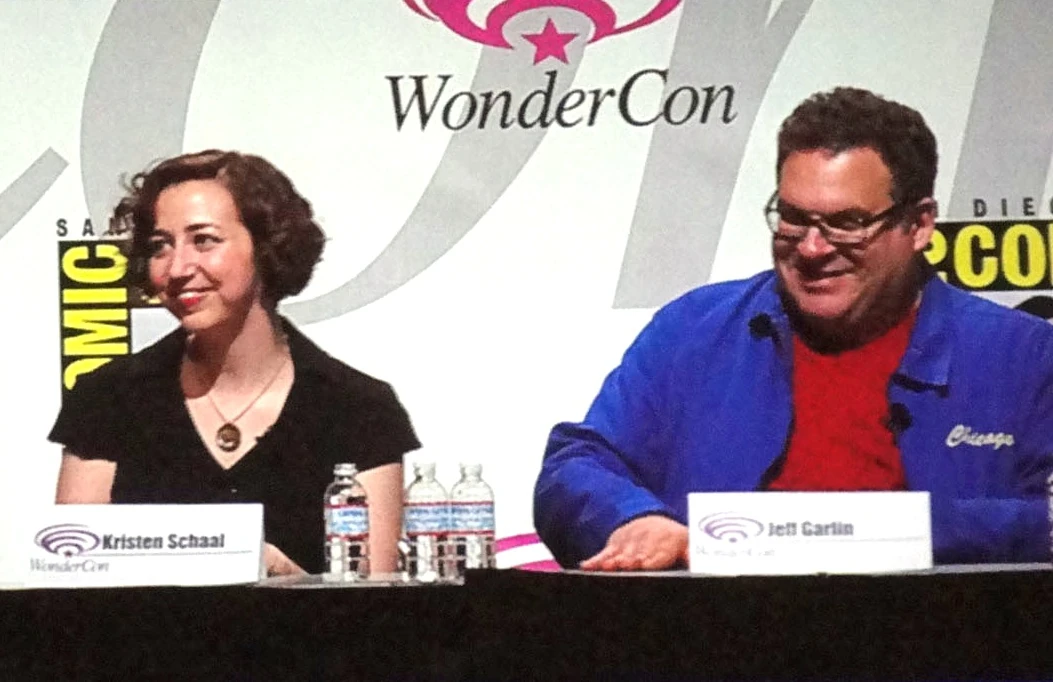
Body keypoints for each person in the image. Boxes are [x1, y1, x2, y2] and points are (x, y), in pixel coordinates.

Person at [534, 87, 1053, 570]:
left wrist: (889, 532)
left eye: (847, 223)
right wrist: (633, 519)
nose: (812, 248)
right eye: (793, 217)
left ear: (918, 225)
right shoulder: (694, 331)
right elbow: (575, 467)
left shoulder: (1023, 356)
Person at [50, 150, 421, 576]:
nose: (177, 268)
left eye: (204, 240)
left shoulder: (358, 408)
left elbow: (375, 602)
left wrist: (286, 578)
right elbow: (71, 577)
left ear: (266, 247)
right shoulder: (108, 398)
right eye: (160, 246)